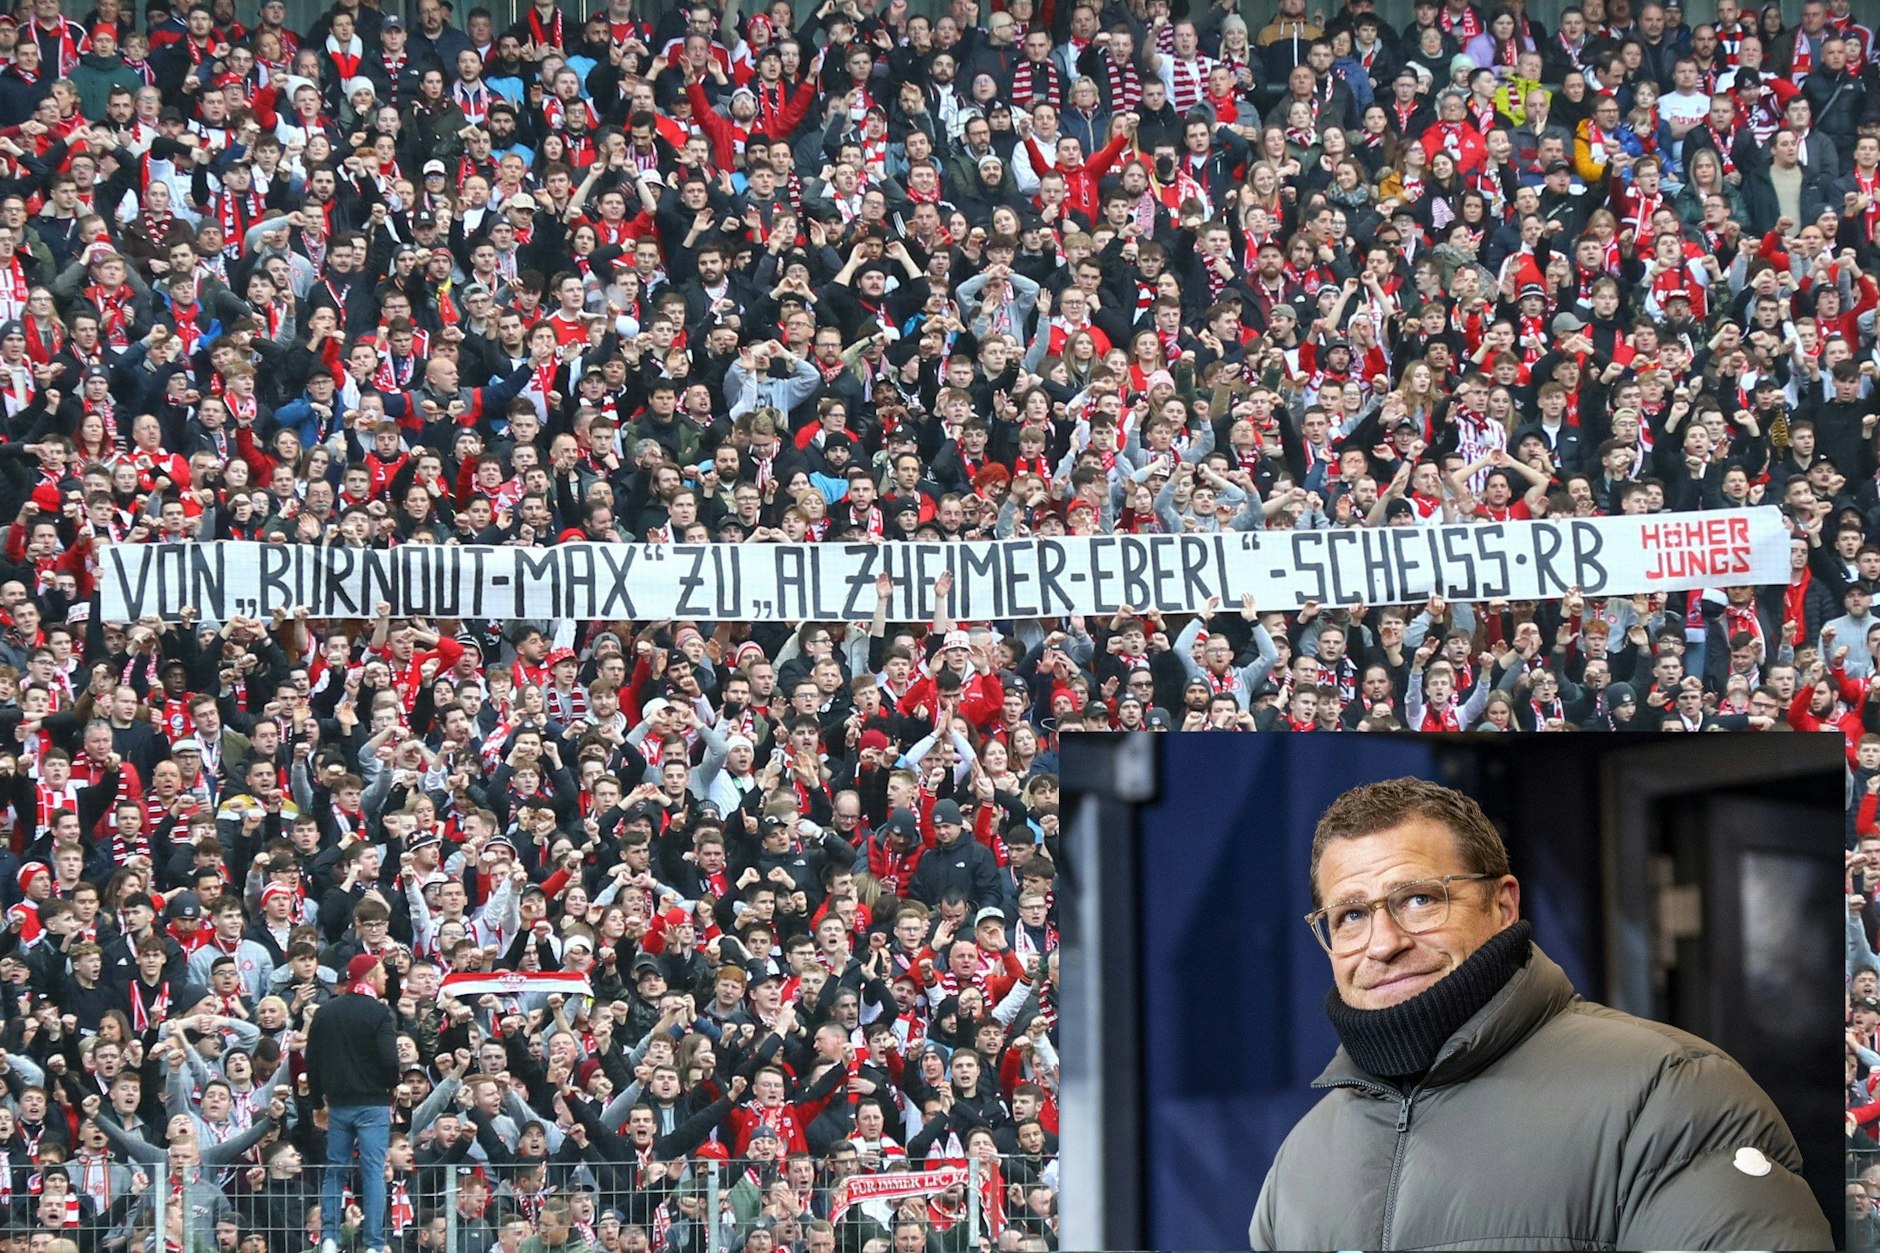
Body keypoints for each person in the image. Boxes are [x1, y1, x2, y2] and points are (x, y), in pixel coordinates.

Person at [1251, 777, 1832, 1250]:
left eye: (1420, 899)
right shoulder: (1302, 1158)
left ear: (1502, 904)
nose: (1382, 943)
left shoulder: (1671, 1094)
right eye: (1350, 916)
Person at [307, 953, 400, 1253]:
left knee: (335, 1169)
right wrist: (392, 1085)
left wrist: (317, 1102)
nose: (386, 978)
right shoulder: (379, 1013)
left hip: (338, 1104)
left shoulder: (326, 1012)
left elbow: (313, 1061)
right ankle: (373, 1243)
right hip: (372, 1104)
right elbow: (389, 1060)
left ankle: (329, 1238)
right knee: (373, 1170)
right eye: (383, 973)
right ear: (370, 977)